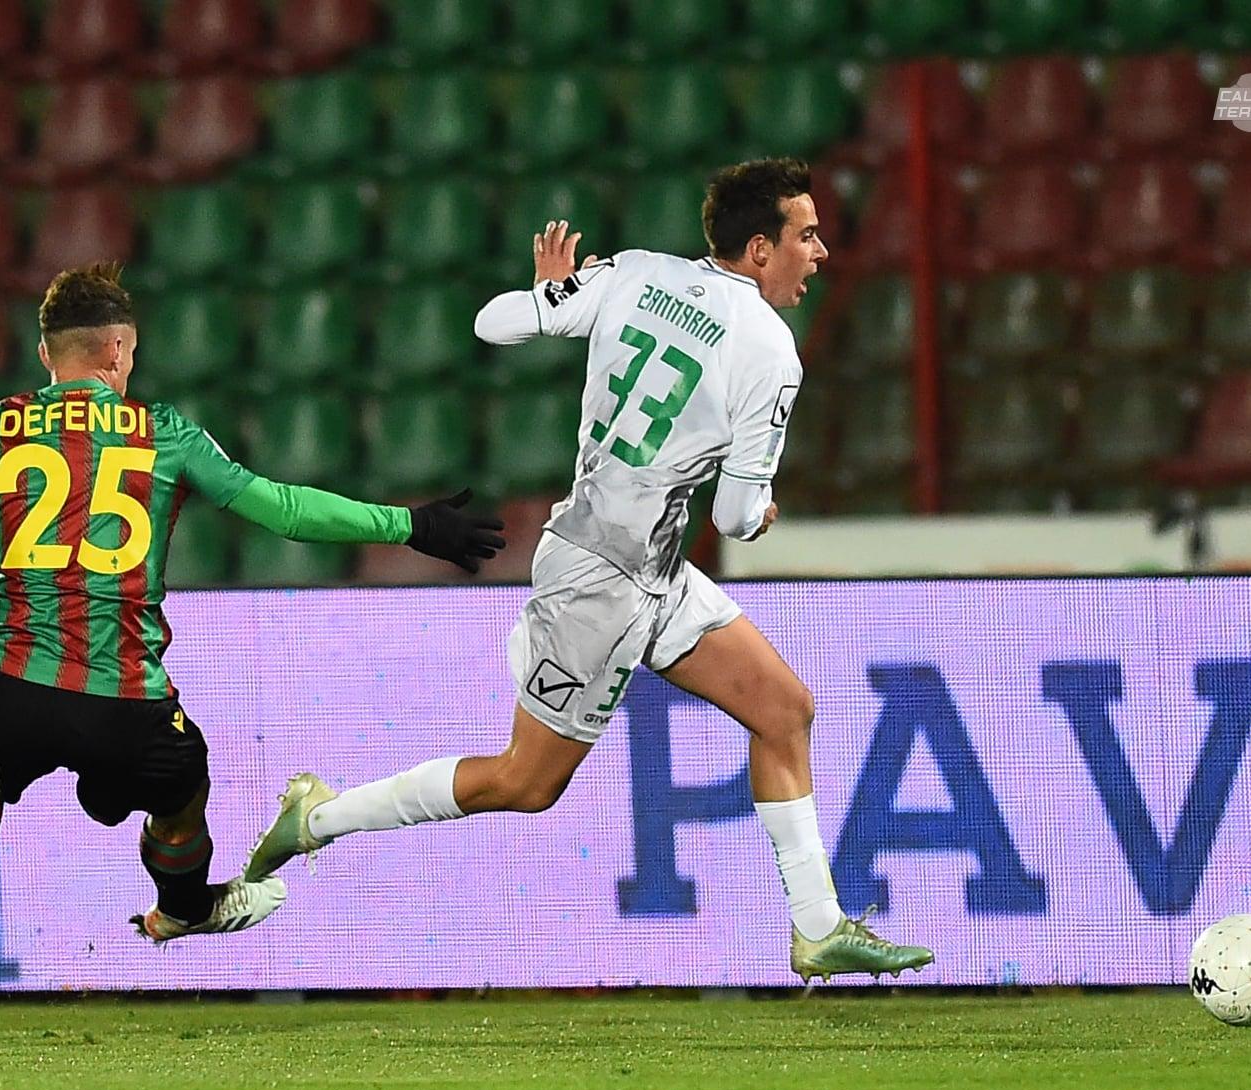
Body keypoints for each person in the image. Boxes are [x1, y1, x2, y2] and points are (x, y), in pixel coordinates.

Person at [0, 263, 504, 1009]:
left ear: (45, 353)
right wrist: (410, 523)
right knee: (184, 787)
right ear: (118, 348)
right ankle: (183, 906)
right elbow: (285, 510)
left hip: (17, 688)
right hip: (127, 702)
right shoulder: (164, 433)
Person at [246, 159, 933, 982]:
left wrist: (552, 297)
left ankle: (818, 928)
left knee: (784, 710)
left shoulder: (638, 274)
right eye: (807, 235)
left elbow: (492, 325)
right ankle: (319, 815)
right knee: (526, 783)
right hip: (602, 581)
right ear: (758, 248)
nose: (820, 252)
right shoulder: (770, 351)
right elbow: (738, 519)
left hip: (647, 566)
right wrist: (764, 510)